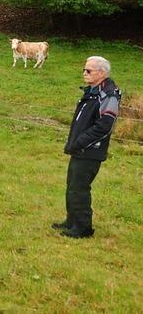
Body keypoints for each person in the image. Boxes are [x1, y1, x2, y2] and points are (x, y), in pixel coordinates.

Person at [52, 56, 120, 238]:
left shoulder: (108, 94)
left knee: (80, 188)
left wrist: (81, 141)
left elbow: (105, 125)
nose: (84, 73)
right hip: (79, 149)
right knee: (72, 185)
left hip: (90, 151)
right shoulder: (92, 91)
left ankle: (83, 228)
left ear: (102, 73)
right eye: (84, 69)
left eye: (88, 70)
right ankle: (72, 221)